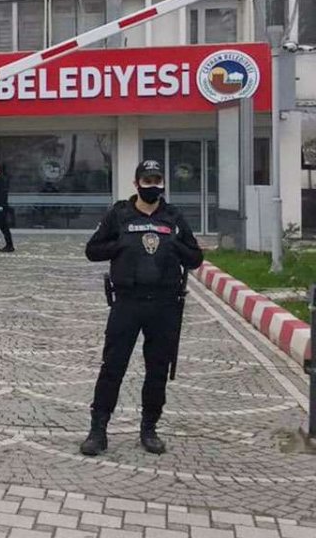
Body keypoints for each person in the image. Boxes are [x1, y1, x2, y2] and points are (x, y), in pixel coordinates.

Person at [80, 160, 203, 456]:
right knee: (113, 367)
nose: (152, 186)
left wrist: (174, 246)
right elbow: (92, 250)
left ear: (163, 184)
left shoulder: (173, 216)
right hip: (128, 303)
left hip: (164, 304)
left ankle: (149, 428)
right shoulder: (120, 214)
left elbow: (195, 258)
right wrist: (120, 245)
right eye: (147, 181)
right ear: (136, 184)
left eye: (157, 180)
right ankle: (98, 430)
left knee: (157, 369)